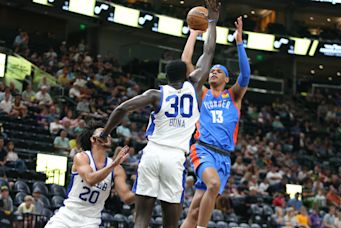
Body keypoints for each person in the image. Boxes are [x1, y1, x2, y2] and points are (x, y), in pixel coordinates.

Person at [98, 1, 218, 227]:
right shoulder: (194, 86)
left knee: (142, 216)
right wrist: (212, 21)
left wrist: (105, 133)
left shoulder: (156, 94)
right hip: (174, 158)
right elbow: (209, 51)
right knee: (170, 222)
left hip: (152, 154)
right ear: (187, 73)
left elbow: (122, 108)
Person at [180, 15, 251, 228]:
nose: (213, 72)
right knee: (213, 184)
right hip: (203, 150)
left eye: (218, 71)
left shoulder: (234, 96)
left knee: (193, 212)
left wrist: (239, 42)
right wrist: (193, 35)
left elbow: (246, 75)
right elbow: (186, 64)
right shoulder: (202, 93)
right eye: (211, 71)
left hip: (224, 158)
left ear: (227, 79)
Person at [45, 121, 135, 228]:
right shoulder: (82, 157)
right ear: (93, 139)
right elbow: (90, 179)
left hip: (91, 222)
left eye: (108, 134)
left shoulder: (117, 169)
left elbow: (127, 198)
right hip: (67, 216)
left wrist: (148, 183)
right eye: (103, 133)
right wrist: (113, 164)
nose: (108, 135)